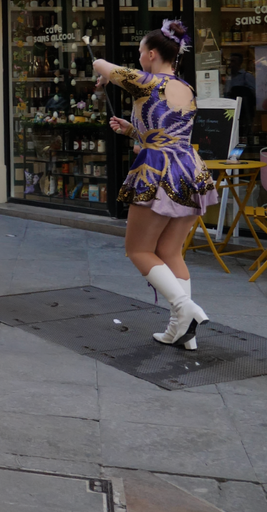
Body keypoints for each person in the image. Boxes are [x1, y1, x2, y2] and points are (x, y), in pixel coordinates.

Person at [93, 19, 216, 349]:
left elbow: (103, 64)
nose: (137, 59)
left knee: (138, 249)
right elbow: (168, 132)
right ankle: (182, 331)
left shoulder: (147, 82)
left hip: (158, 171)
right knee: (171, 251)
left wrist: (103, 71)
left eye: (139, 53)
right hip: (191, 170)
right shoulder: (186, 88)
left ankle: (184, 310)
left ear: (150, 54)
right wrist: (131, 130)